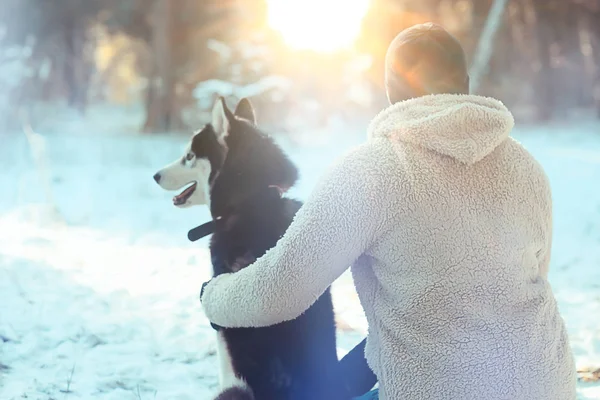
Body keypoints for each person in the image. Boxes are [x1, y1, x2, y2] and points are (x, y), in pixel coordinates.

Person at [200, 22, 577, 399]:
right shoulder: (525, 166)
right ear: (465, 81)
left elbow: (280, 291)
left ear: (389, 88)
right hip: (548, 384)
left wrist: (214, 295)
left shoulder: (371, 171)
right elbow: (533, 275)